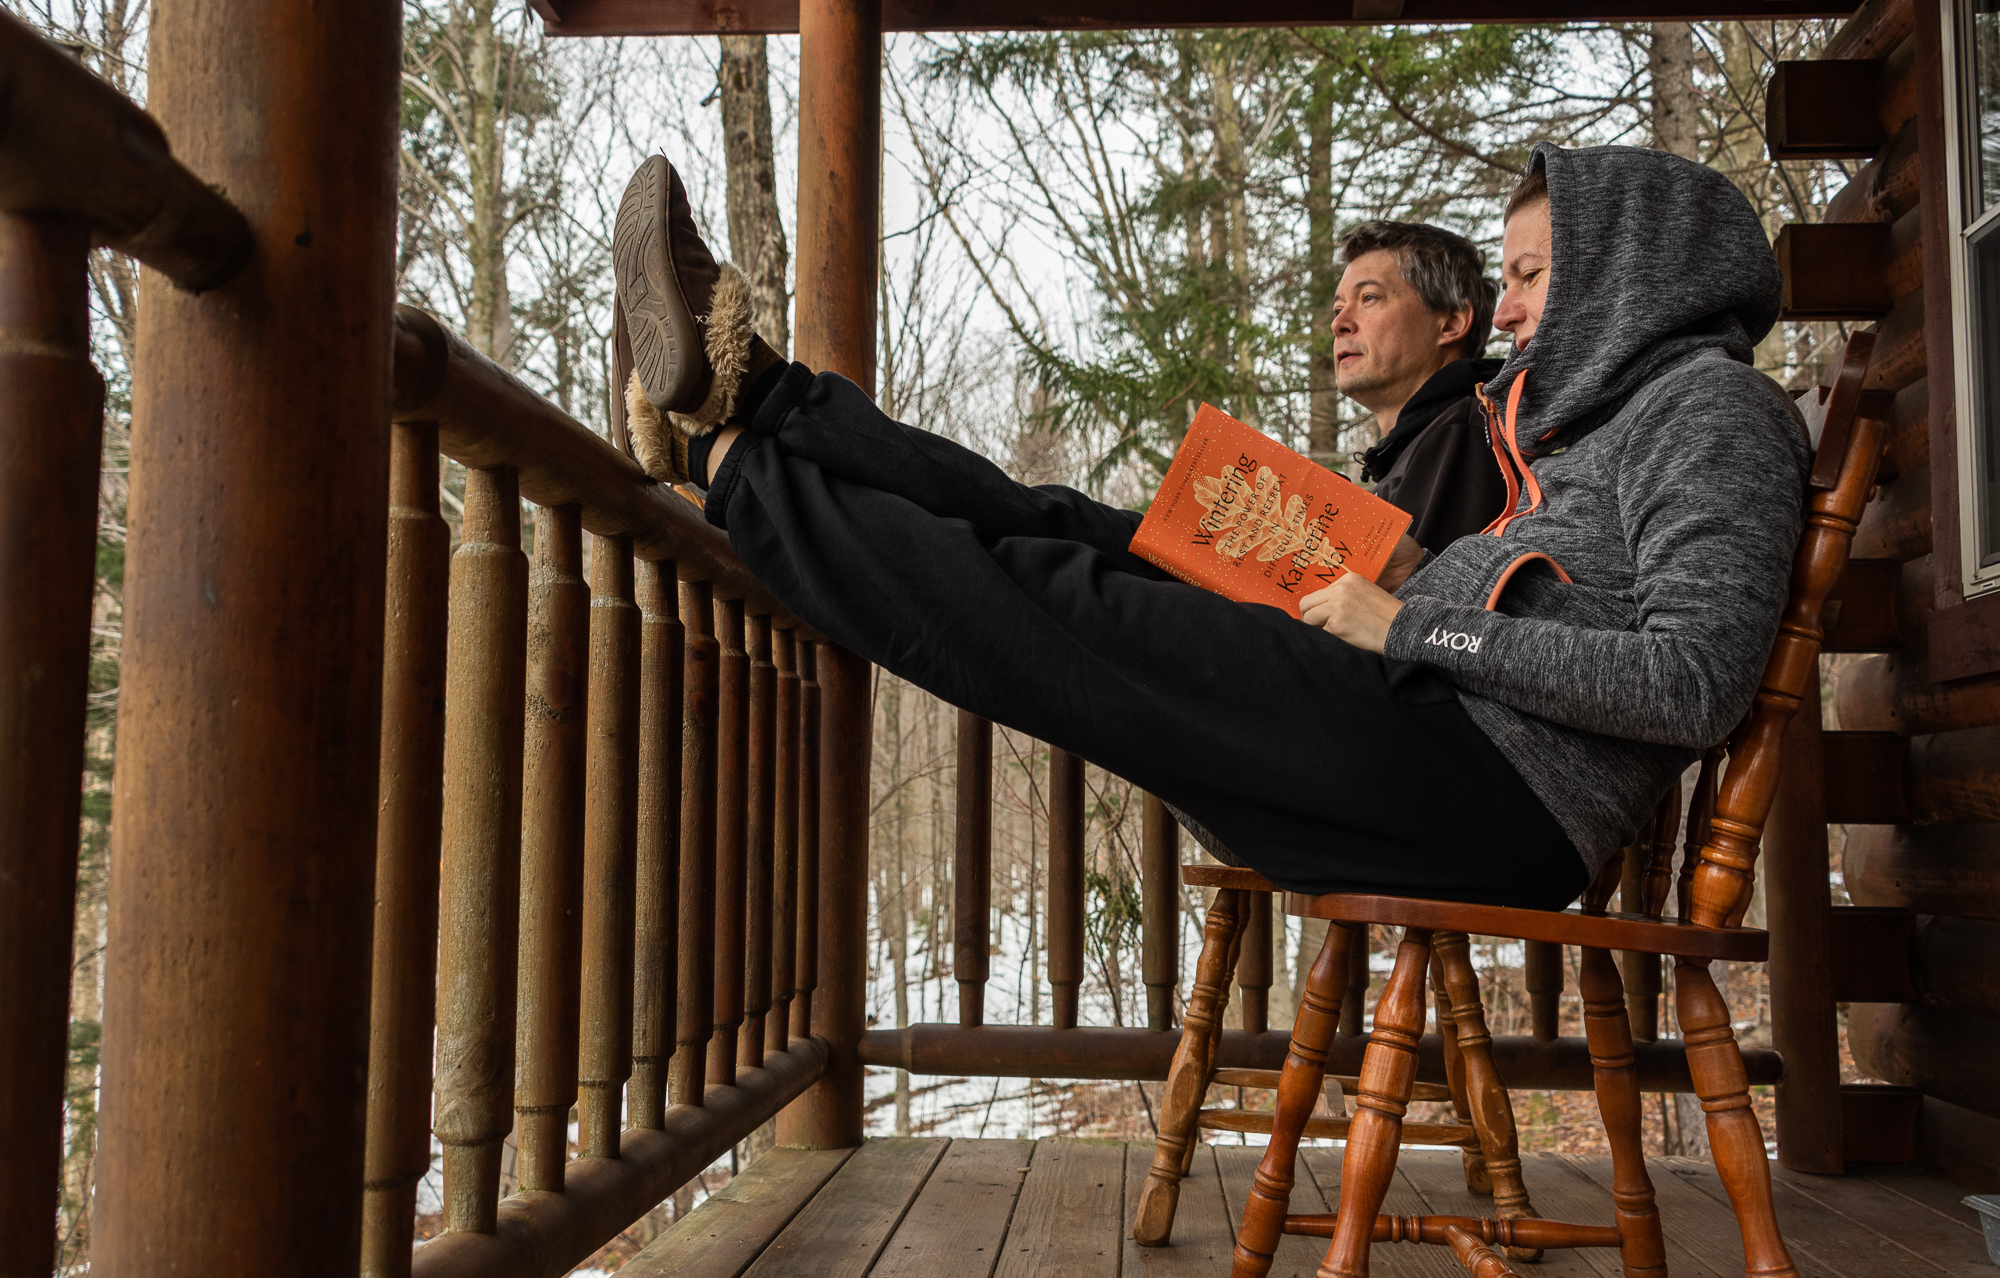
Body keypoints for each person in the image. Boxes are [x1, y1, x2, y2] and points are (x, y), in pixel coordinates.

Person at [610, 142, 1808, 911]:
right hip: (1441, 742)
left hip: (1485, 785)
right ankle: (752, 397)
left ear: (1632, 272)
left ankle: (725, 464)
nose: (1511, 312)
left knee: (1057, 601)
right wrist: (1413, 588)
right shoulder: (1590, 425)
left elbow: (1692, 684)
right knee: (1069, 535)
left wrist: (1408, 624)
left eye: (1537, 276)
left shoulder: (1714, 413)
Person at [1331, 220, 1508, 553]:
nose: (1339, 323)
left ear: (1452, 323)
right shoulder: (1421, 445)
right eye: (1339, 308)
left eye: (1369, 298)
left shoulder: (1465, 433)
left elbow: (1416, 602)